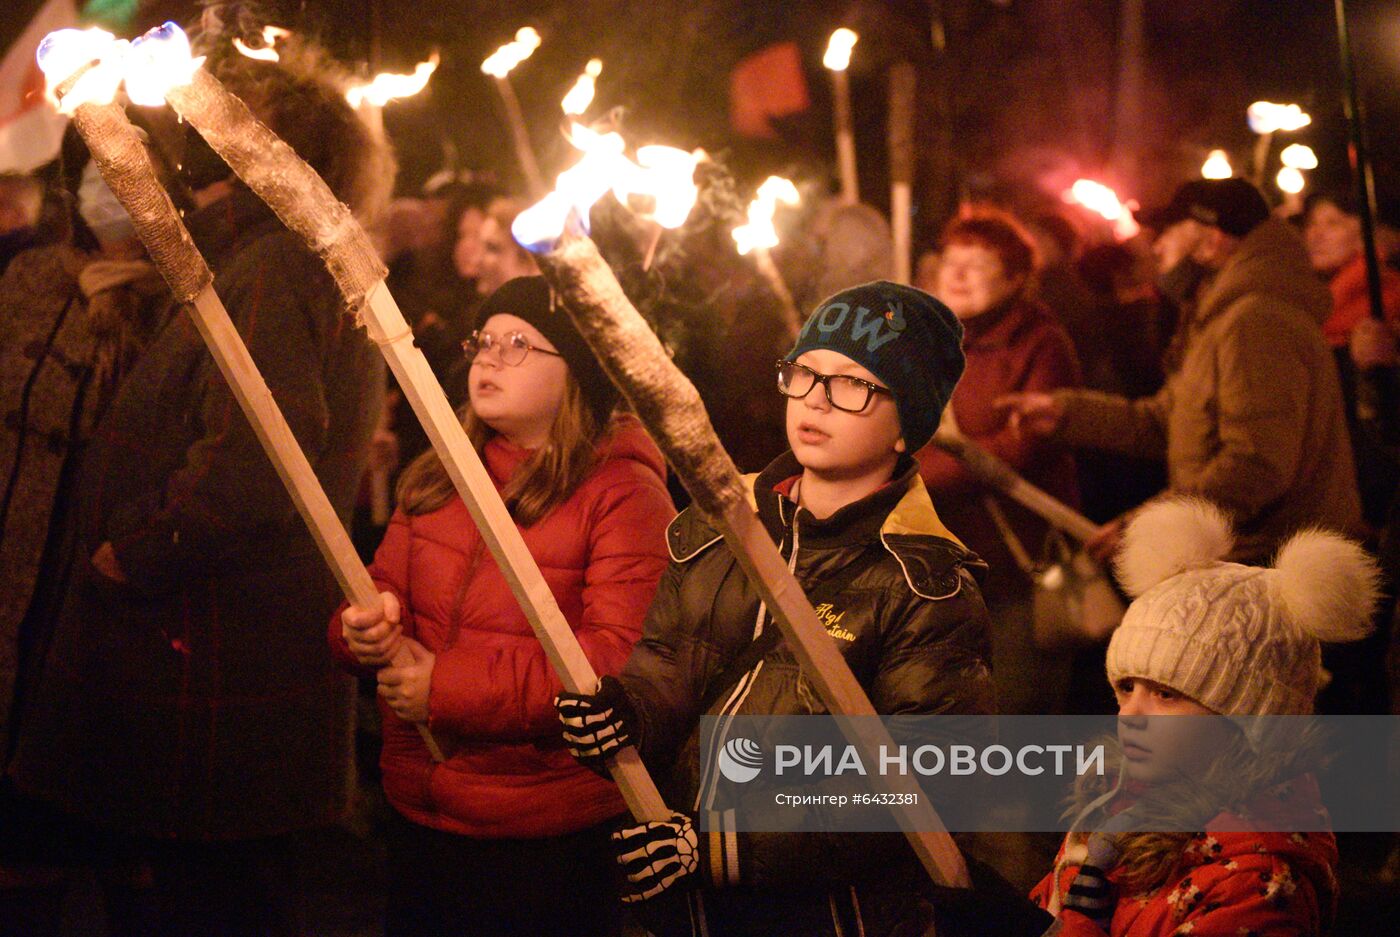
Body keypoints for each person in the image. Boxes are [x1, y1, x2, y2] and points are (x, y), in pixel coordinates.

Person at [4, 30, 392, 935]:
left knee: (202, 904)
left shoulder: (270, 268)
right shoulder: (262, 262)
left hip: (208, 655)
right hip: (212, 655)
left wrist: (123, 557)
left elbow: (247, 467)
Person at [555, 281, 999, 936]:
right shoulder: (715, 527)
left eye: (853, 385)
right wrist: (626, 715)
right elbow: (669, 668)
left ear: (909, 422)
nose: (816, 398)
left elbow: (922, 789)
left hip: (829, 916)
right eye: (806, 372)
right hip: (690, 909)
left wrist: (726, 848)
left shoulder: (925, 586)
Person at [332, 276, 674, 936]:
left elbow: (617, 661)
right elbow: (378, 591)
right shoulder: (440, 474)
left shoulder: (622, 491)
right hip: (421, 807)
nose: (487, 357)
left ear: (577, 372)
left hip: (542, 824)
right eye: (483, 340)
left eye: (518, 342)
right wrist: (361, 633)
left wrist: (446, 687)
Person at [1031, 497, 1380, 936]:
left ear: (1249, 720)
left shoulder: (1260, 883)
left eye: (1166, 694)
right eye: (1125, 687)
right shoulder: (1113, 809)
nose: (1132, 714)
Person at [999, 178, 1363, 566]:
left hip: (1273, 567)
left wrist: (1151, 524)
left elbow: (1256, 464)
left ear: (1212, 240)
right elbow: (1169, 422)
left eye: (1169, 231)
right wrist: (1067, 412)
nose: (1156, 247)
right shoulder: (1221, 316)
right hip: (1248, 560)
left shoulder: (1255, 320)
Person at [917, 208, 1082, 715]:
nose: (959, 274)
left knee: (1014, 704)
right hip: (939, 554)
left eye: (979, 263)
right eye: (951, 260)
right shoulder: (923, 342)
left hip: (1016, 552)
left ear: (1015, 279)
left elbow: (1025, 444)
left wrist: (919, 475)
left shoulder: (1039, 342)